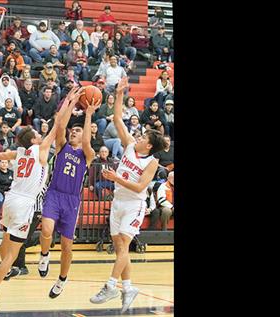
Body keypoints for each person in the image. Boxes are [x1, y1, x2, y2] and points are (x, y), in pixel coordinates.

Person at [0, 91, 81, 314]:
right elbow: (59, 123)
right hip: (24, 204)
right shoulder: (41, 150)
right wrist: (69, 101)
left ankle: (9, 270)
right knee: (13, 254)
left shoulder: (19, 151)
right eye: (35, 133)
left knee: (7, 242)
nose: (39, 134)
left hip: (10, 200)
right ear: (33, 139)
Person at [89, 77, 167, 313]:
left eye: (144, 137)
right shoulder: (131, 145)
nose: (139, 137)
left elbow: (139, 187)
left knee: (123, 245)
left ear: (150, 146)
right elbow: (116, 118)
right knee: (120, 247)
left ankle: (111, 286)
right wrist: (119, 92)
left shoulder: (152, 162)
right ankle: (129, 287)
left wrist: (117, 179)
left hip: (134, 204)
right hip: (118, 202)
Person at [38, 87, 100, 299]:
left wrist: (89, 113)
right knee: (46, 230)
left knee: (66, 246)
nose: (73, 132)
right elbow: (61, 126)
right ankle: (44, 255)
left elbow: (87, 141)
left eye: (77, 130)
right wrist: (71, 102)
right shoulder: (62, 146)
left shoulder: (87, 154)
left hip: (72, 201)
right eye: (73, 131)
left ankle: (62, 279)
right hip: (55, 194)